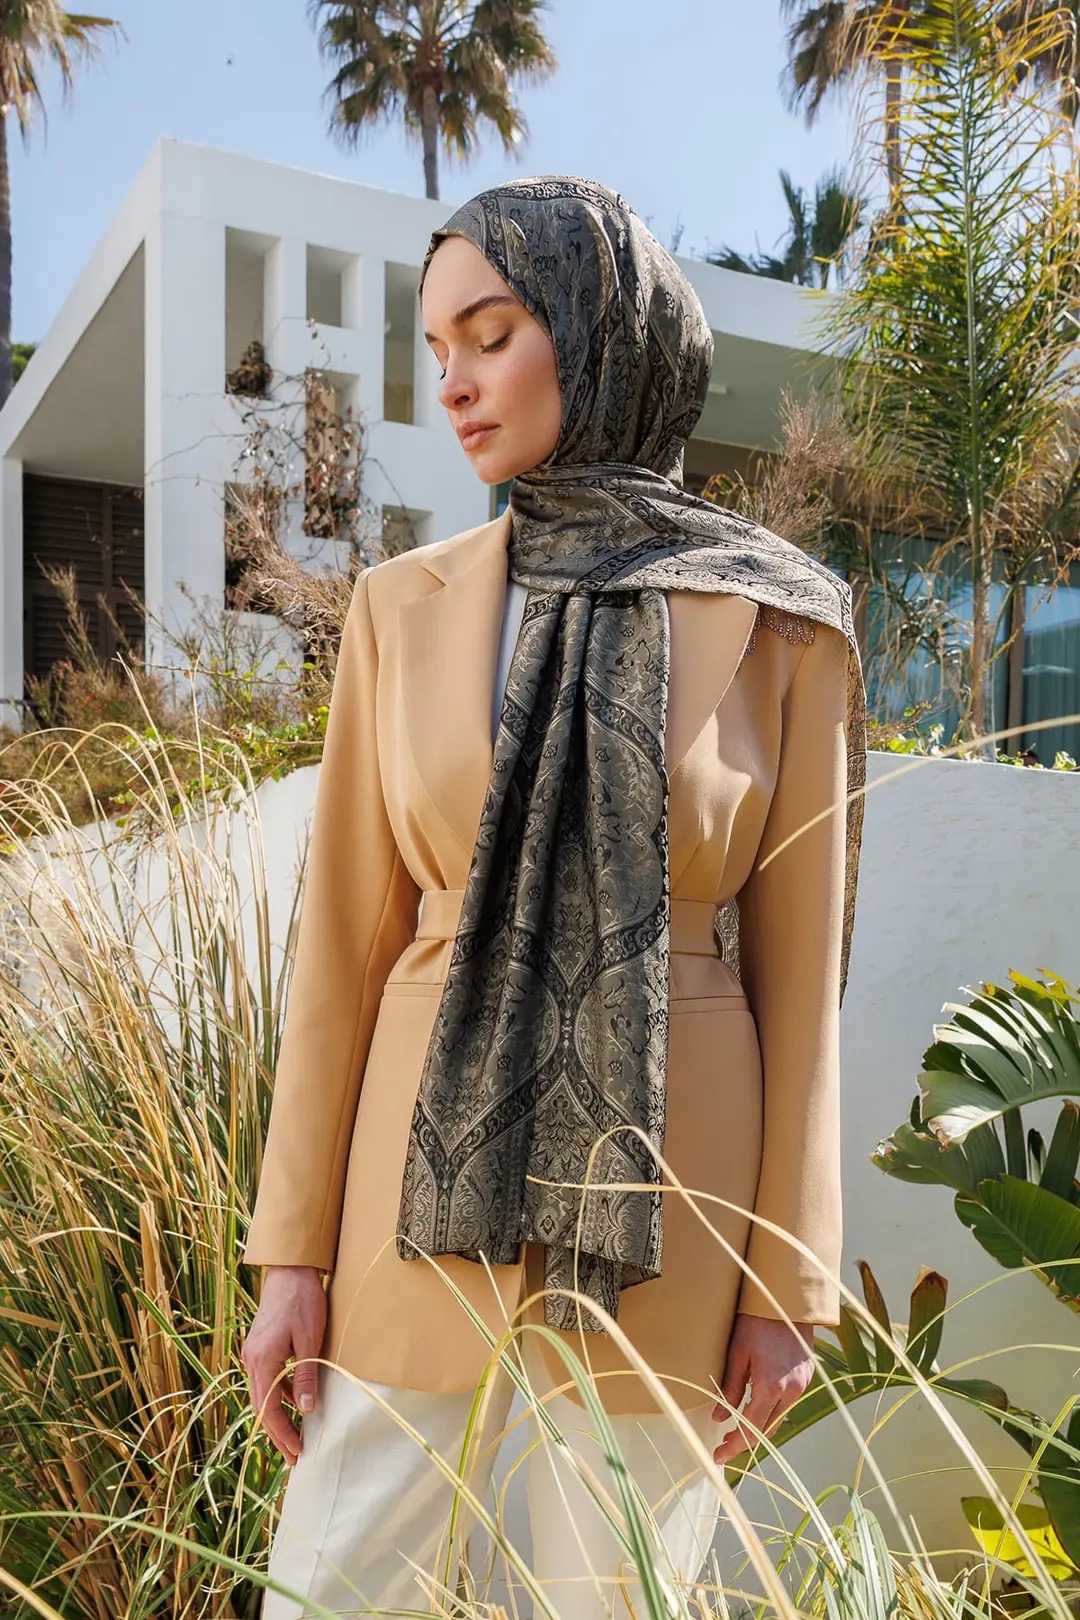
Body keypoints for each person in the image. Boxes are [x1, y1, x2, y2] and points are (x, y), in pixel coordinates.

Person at [241, 175, 866, 1619]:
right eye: (436, 345)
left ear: (599, 334)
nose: (453, 382)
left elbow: (802, 985)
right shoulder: (400, 607)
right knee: (336, 1585)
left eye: (493, 332)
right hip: (412, 1195)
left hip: (673, 1202)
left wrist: (788, 1286)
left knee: (614, 1591)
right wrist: (290, 1255)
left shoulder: (784, 619)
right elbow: (339, 956)